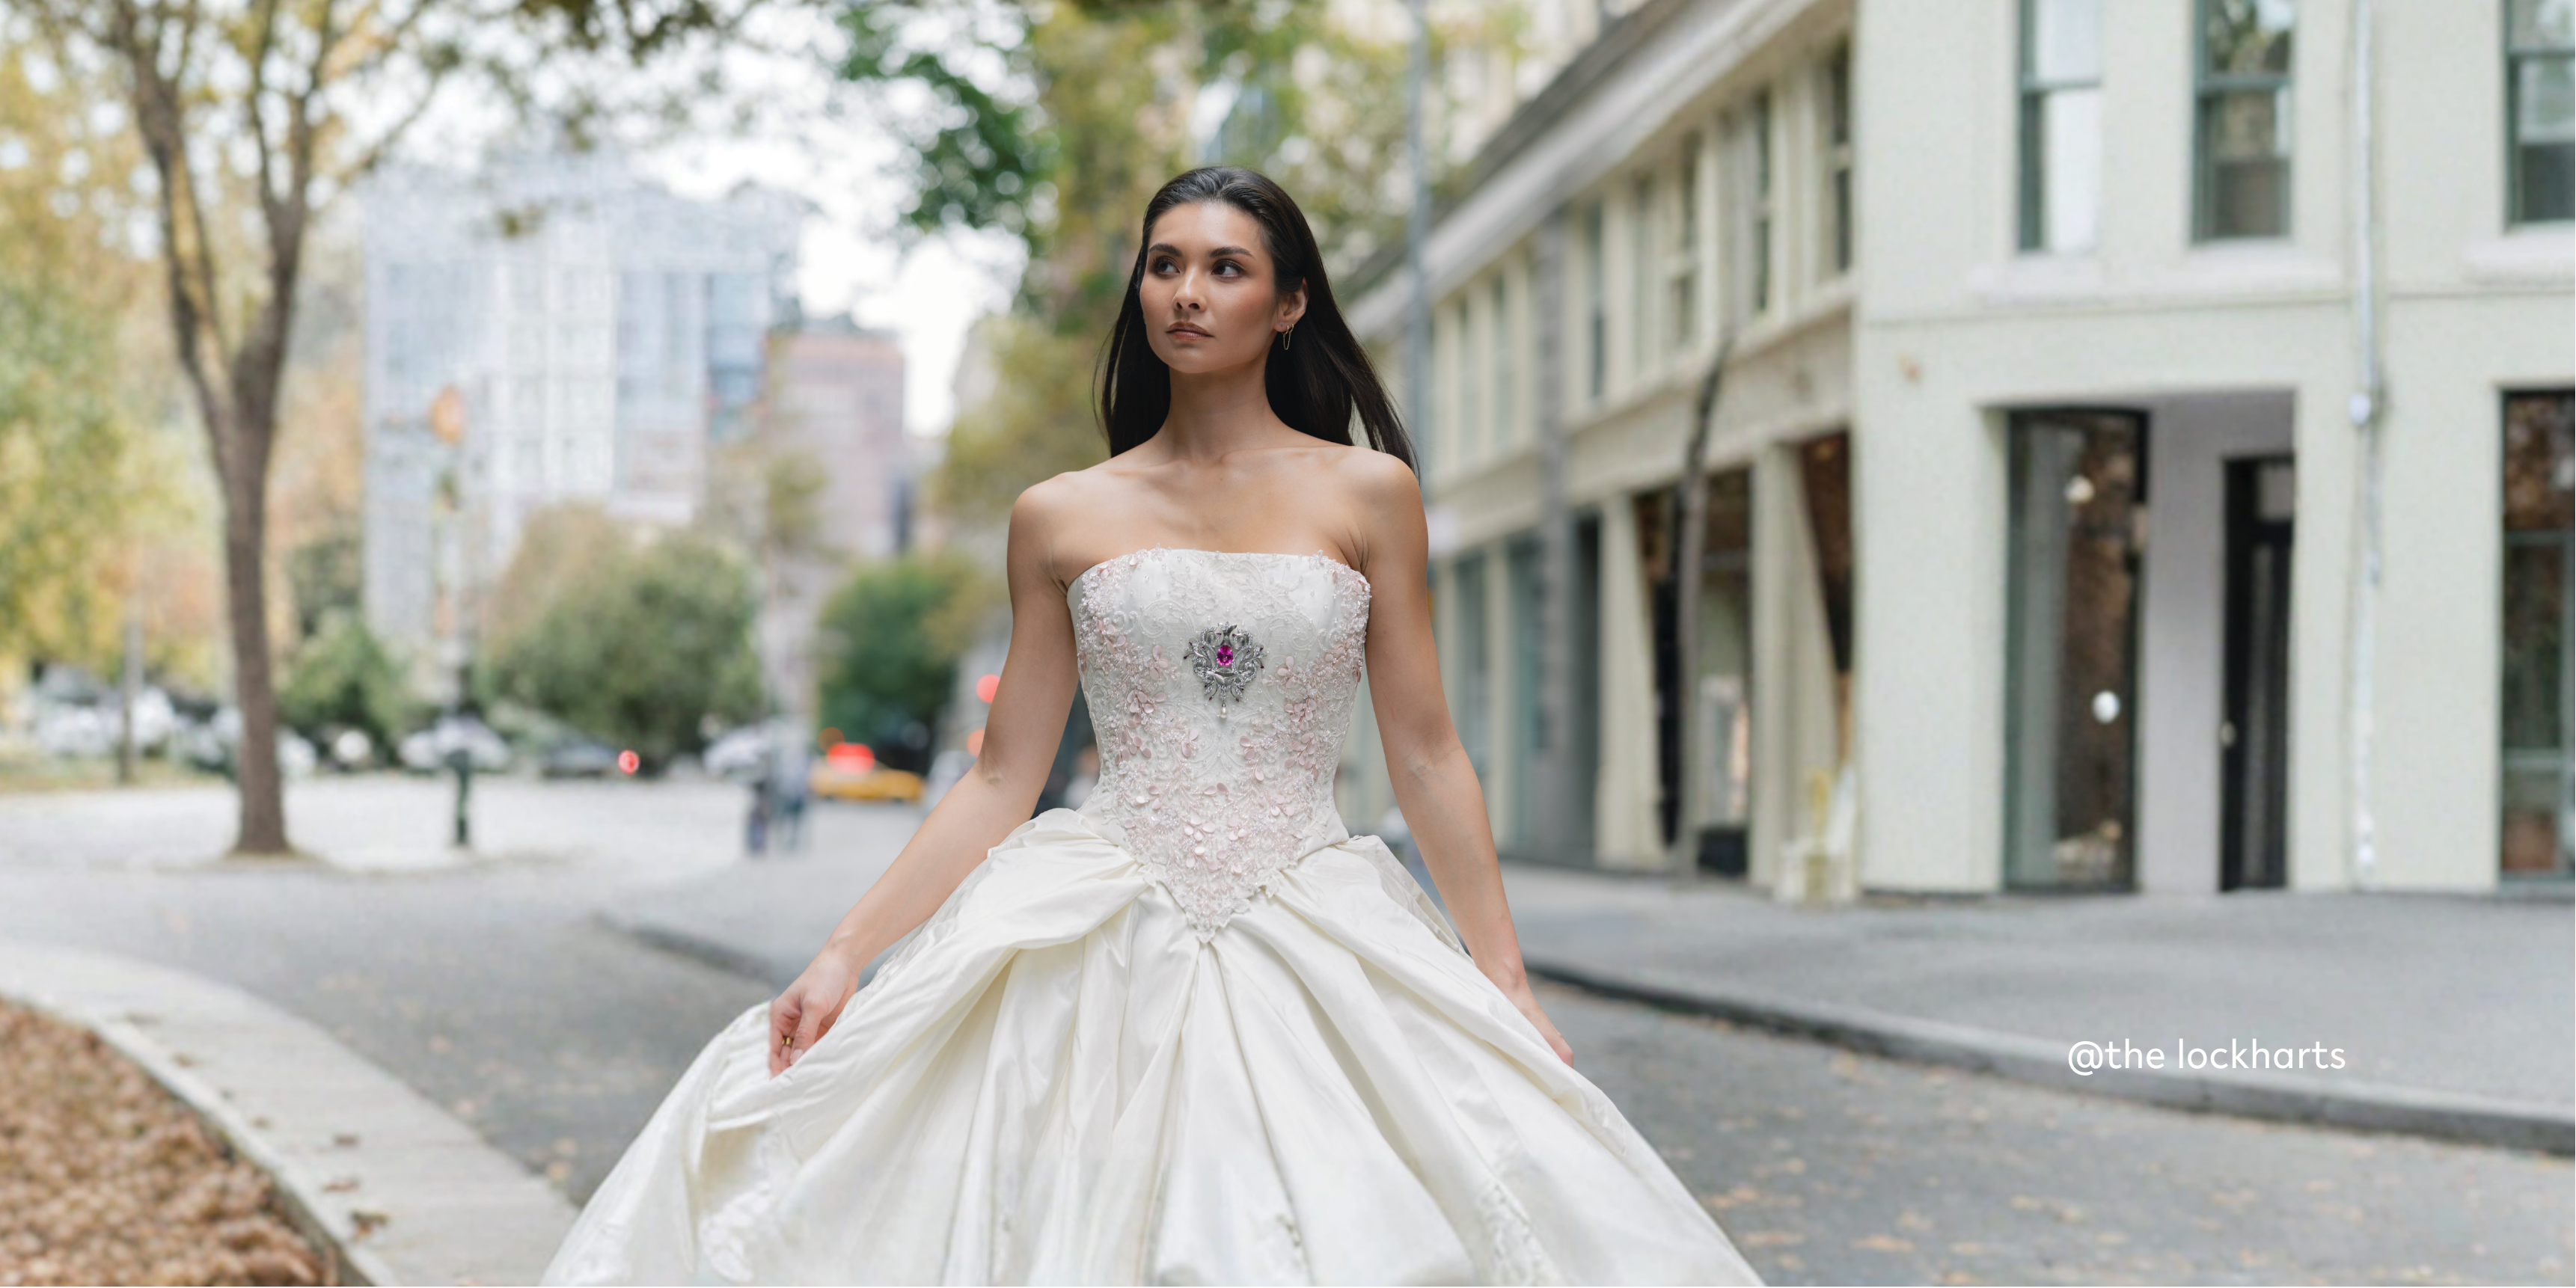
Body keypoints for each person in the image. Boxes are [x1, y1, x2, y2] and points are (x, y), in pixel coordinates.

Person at [545, 167, 1759, 1287]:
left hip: (1311, 912)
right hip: (1093, 918)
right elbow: (1000, 776)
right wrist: (843, 951)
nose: (1186, 291)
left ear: (1289, 304)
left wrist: (1500, 977)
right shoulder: (1060, 514)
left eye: (1225, 267)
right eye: (1164, 263)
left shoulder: (1368, 493)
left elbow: (1428, 749)